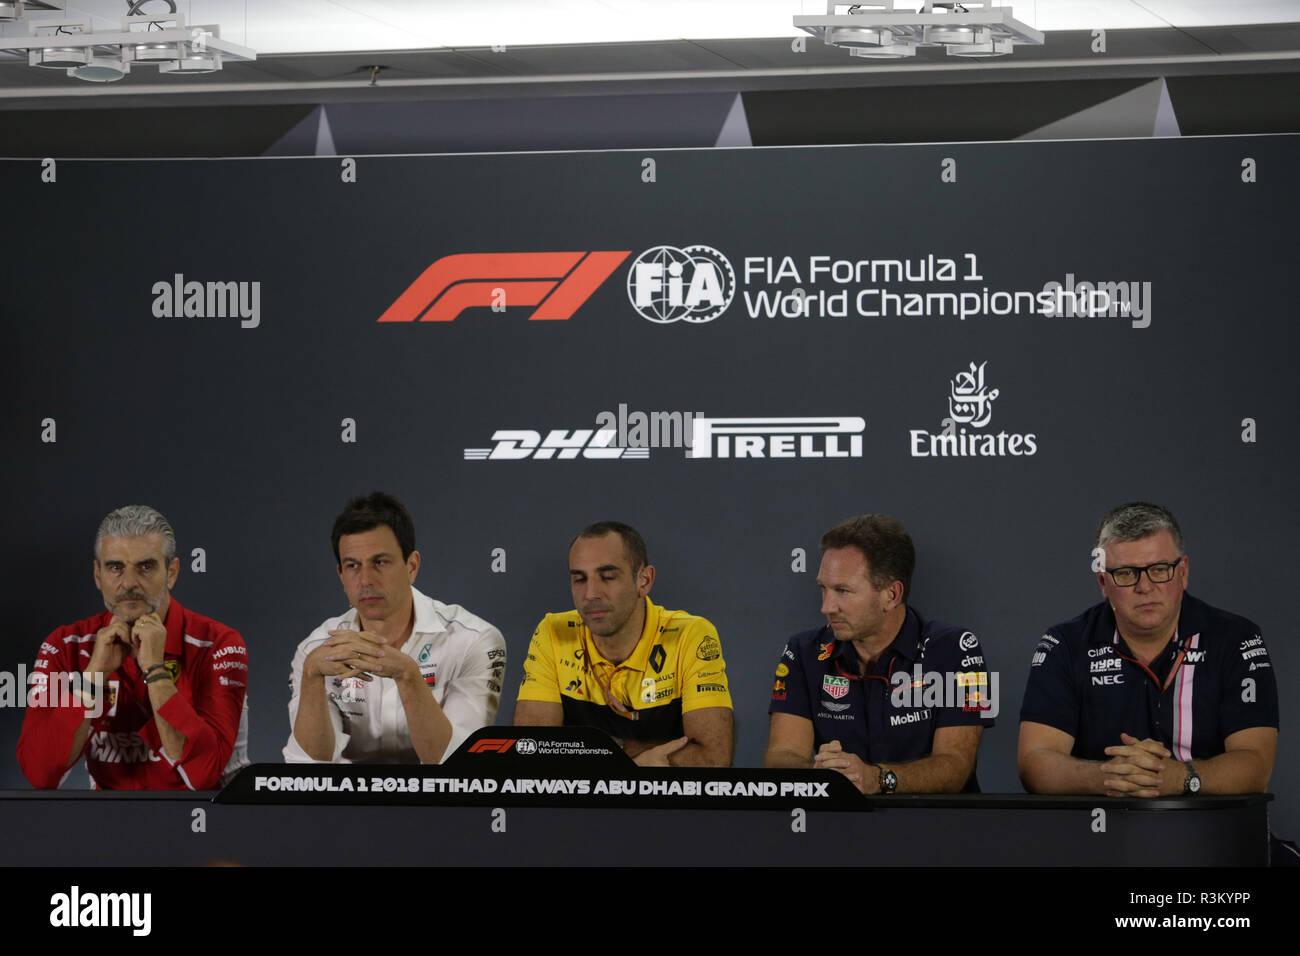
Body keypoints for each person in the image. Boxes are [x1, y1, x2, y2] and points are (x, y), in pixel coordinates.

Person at [1019, 502, 1277, 797]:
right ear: (1103, 581)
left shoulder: (1237, 639)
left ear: (1183, 572)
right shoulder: (1064, 645)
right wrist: (1110, 776)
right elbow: (1034, 762)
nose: (1145, 586)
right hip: (1102, 831)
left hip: (1211, 831)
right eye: (1127, 573)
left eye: (1159, 569)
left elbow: (1257, 766)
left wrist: (1182, 778)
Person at [17, 505, 249, 790]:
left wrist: (156, 671)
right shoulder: (64, 645)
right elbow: (40, 773)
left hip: (205, 821)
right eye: (115, 567)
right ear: (98, 575)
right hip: (111, 824)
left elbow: (204, 774)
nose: (128, 583)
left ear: (172, 572)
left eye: (146, 567)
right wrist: (92, 678)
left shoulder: (218, 644)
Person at [765, 514, 991, 793]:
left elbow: (957, 767)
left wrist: (877, 779)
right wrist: (821, 774)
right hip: (839, 828)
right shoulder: (802, 650)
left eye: (843, 591)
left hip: (937, 826)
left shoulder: (959, 649)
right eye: (823, 588)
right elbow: (779, 757)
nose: (826, 607)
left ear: (892, 595)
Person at [285, 492, 505, 764]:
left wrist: (407, 675)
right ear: (341, 575)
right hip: (348, 805)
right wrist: (311, 676)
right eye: (353, 565)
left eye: (380, 562)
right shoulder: (315, 651)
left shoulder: (473, 640)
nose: (365, 579)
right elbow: (308, 771)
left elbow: (460, 765)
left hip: (440, 805)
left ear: (411, 566)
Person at [514, 521, 734, 766]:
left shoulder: (689, 634)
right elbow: (531, 753)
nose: (591, 594)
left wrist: (585, 753)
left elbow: (713, 758)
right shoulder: (553, 633)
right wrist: (634, 760)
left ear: (644, 580)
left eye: (607, 577)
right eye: (579, 579)